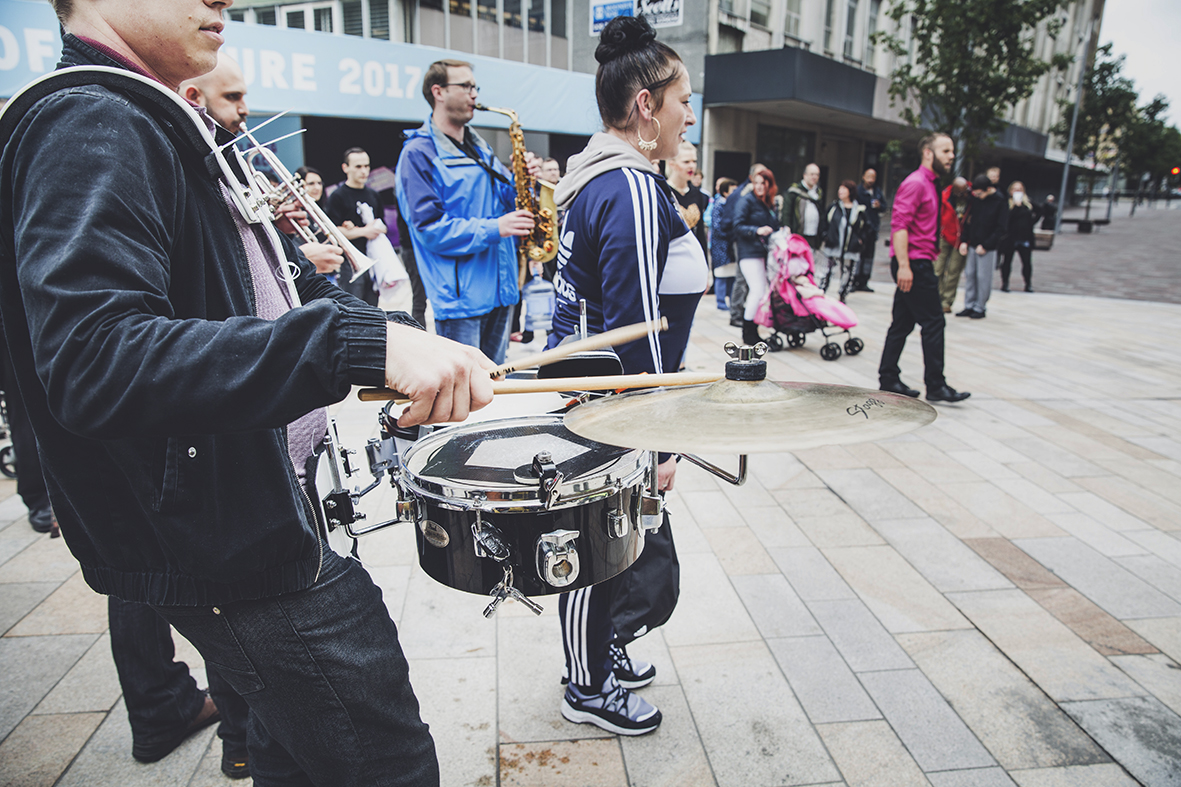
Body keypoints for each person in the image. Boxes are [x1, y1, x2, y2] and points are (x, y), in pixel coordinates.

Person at [0, 3, 500, 785]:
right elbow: (94, 358)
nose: (222, 1)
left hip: (255, 511)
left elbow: (243, 302)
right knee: (387, 760)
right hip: (234, 545)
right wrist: (350, 345)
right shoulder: (90, 119)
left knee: (287, 748)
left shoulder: (141, 116)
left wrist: (392, 335)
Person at [548, 14, 705, 736]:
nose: (688, 114)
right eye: (681, 100)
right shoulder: (633, 188)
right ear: (646, 106)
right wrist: (658, 439)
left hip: (598, 396)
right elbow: (634, 327)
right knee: (597, 545)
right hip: (613, 404)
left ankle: (599, 654)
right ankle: (586, 684)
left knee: (619, 542)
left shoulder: (599, 177)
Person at [396, 59, 536, 366]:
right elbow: (430, 229)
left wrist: (522, 181)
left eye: (475, 87)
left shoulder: (478, 146)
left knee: (494, 393)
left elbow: (504, 202)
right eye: (466, 86)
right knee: (463, 402)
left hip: (501, 291)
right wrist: (496, 228)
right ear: (439, 92)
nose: (474, 94)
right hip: (462, 301)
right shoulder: (418, 153)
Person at [180, 57, 344, 280]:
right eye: (231, 97)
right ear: (193, 97)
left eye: (243, 98)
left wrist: (274, 226)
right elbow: (207, 268)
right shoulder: (179, 165)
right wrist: (295, 259)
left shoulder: (227, 160)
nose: (244, 109)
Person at [877, 134, 970, 403]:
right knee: (934, 321)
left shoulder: (931, 184)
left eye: (952, 150)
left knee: (902, 323)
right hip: (913, 263)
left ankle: (888, 377)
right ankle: (936, 385)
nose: (951, 155)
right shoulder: (916, 184)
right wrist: (905, 266)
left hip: (917, 260)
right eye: (946, 150)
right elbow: (899, 226)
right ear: (928, 153)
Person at [325, 147, 385, 307]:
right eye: (358, 166)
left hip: (374, 257)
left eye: (366, 166)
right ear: (345, 168)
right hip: (349, 263)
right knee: (353, 307)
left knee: (373, 307)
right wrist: (364, 231)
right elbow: (333, 232)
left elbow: (382, 225)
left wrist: (374, 228)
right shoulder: (338, 196)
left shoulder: (374, 195)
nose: (364, 171)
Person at [732, 170, 780, 345]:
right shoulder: (746, 201)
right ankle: (748, 332)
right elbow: (736, 226)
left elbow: (774, 225)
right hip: (748, 252)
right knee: (757, 290)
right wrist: (756, 230)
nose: (759, 187)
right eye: (757, 183)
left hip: (762, 253)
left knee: (761, 291)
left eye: (763, 183)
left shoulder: (768, 204)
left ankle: (752, 331)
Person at [719, 163, 770, 328]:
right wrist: (748, 233)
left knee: (751, 283)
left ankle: (744, 313)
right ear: (752, 177)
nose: (761, 184)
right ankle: (737, 314)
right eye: (759, 178)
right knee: (742, 280)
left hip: (754, 243)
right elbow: (731, 222)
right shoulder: (743, 194)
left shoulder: (761, 197)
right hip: (743, 242)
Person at [956, 173, 1009, 319]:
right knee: (970, 275)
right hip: (973, 243)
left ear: (988, 189)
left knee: (983, 277)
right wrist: (964, 241)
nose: (978, 196)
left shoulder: (1000, 202)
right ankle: (969, 304)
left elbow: (1001, 228)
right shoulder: (975, 200)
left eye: (980, 193)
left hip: (987, 247)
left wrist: (987, 244)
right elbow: (969, 220)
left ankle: (980, 306)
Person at [821, 180, 867, 301]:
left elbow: (865, 228)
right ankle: (821, 292)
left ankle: (843, 295)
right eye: (839, 189)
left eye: (844, 189)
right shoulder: (834, 207)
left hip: (851, 248)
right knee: (827, 271)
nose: (840, 191)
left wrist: (860, 240)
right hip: (833, 245)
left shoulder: (859, 210)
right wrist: (825, 236)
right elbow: (825, 223)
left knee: (848, 273)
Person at [666, 141, 709, 256]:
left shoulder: (698, 194)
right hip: (670, 255)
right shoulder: (663, 192)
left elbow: (700, 231)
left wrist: (704, 260)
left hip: (693, 255)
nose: (692, 166)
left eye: (694, 161)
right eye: (686, 162)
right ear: (672, 164)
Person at [934, 176, 969, 313]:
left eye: (964, 191)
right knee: (938, 268)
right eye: (960, 193)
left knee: (954, 271)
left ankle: (947, 301)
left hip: (961, 238)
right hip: (944, 235)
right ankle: (937, 297)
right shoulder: (945, 197)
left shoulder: (971, 197)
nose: (963, 195)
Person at [1000, 180, 1038, 293]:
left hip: (1024, 237)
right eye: (1015, 189)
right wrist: (1016, 207)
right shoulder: (1007, 204)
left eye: (1020, 190)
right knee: (1007, 261)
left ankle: (1028, 283)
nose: (1018, 192)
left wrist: (1032, 222)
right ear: (1011, 191)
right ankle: (1005, 283)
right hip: (1011, 237)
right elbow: (1007, 220)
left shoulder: (1028, 204)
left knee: (1027, 262)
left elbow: (1040, 210)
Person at [782, 162, 825, 251]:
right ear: (805, 175)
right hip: (798, 234)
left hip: (813, 235)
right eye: (812, 174)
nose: (814, 177)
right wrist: (787, 227)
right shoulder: (794, 192)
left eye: (817, 175)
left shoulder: (818, 193)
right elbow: (786, 212)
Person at [709, 178, 738, 310]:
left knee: (731, 274)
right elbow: (717, 226)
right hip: (721, 246)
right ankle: (721, 301)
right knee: (721, 274)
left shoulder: (732, 204)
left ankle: (732, 301)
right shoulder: (719, 204)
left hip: (730, 246)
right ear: (725, 192)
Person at [854, 168, 884, 292]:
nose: (871, 180)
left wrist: (879, 206)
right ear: (863, 177)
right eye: (869, 177)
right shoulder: (858, 191)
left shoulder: (877, 191)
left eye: (873, 177)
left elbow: (884, 206)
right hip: (861, 229)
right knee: (858, 255)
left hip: (873, 228)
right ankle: (855, 280)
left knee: (869, 256)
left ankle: (864, 281)